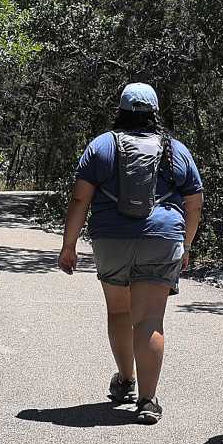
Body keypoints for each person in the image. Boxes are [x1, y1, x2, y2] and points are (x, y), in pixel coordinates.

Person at [57, 83, 204, 424]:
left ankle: (125, 379)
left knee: (120, 311)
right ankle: (148, 401)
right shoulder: (175, 150)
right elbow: (194, 204)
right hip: (162, 238)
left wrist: (68, 245)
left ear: (120, 111)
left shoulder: (101, 146)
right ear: (155, 113)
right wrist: (186, 244)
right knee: (150, 318)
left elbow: (80, 198)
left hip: (112, 240)